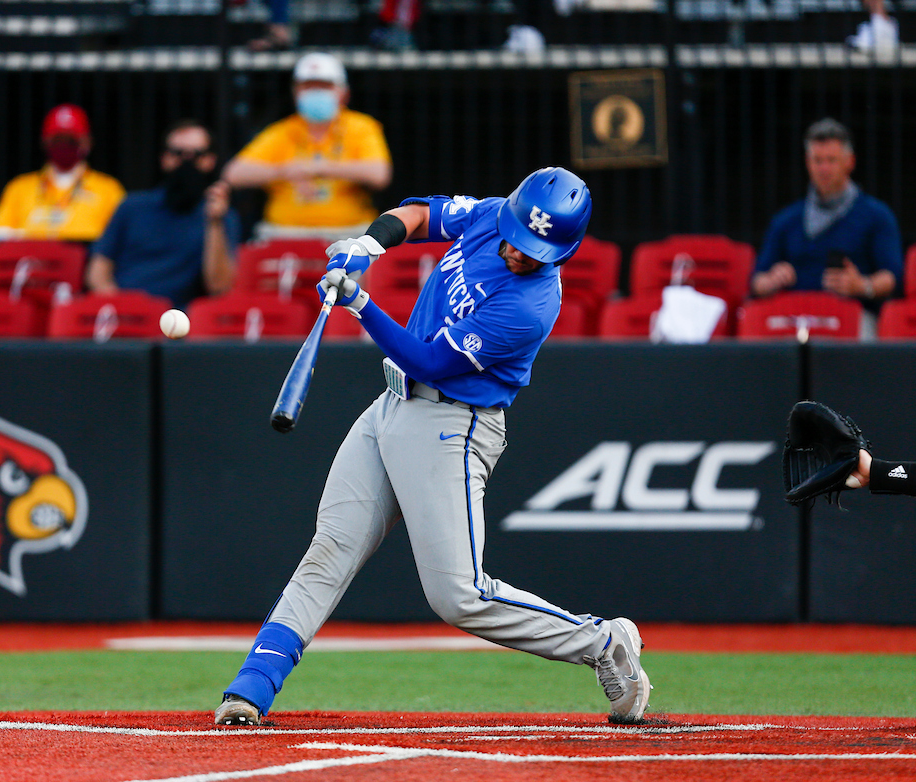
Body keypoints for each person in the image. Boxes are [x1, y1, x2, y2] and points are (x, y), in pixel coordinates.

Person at [214, 167, 652, 728]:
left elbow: (431, 362)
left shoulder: (530, 307)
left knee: (459, 596)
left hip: (453, 426)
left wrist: (360, 303)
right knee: (331, 548)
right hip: (391, 406)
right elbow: (419, 213)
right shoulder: (495, 212)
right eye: (517, 239)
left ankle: (601, 642)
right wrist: (369, 242)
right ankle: (253, 686)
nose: (520, 253)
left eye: (536, 251)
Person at [222, 52, 392, 242]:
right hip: (284, 234)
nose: (316, 92)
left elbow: (379, 174)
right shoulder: (282, 130)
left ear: (344, 93)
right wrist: (283, 171)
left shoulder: (361, 127)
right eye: (308, 86)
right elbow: (233, 173)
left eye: (324, 86)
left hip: (349, 233)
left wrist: (317, 168)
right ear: (295, 93)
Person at [751, 118, 903, 316]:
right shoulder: (785, 220)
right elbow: (756, 282)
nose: (824, 168)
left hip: (852, 321)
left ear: (850, 162)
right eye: (817, 160)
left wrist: (862, 286)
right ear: (807, 162)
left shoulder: (877, 216)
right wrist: (771, 281)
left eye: (831, 160)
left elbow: (894, 277)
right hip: (793, 319)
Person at [85, 121, 240, 309]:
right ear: (164, 159)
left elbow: (219, 287)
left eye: (197, 155)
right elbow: (98, 272)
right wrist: (121, 308)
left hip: (181, 324)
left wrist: (214, 223)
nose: (186, 162)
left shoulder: (221, 217)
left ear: (210, 160)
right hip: (126, 317)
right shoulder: (132, 206)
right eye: (178, 154)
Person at [0, 104, 125, 243]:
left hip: (85, 264)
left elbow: (121, 238)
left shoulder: (108, 189)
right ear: (44, 142)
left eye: (71, 140)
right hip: (30, 264)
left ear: (86, 142)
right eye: (57, 139)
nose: (63, 145)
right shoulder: (20, 187)